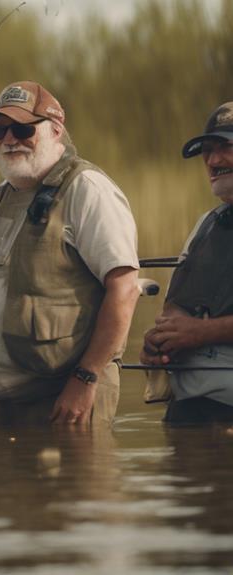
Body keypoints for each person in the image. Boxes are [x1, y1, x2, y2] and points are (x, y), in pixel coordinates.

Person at [0, 81, 140, 426]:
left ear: (56, 130)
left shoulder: (87, 189)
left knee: (74, 482)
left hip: (65, 395)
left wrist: (85, 378)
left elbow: (125, 288)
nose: (9, 138)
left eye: (23, 128)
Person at [141, 102, 233, 424]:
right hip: (189, 408)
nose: (213, 160)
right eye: (208, 150)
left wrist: (201, 332)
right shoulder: (207, 223)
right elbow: (175, 309)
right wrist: (160, 342)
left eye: (226, 147)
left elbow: (196, 331)